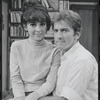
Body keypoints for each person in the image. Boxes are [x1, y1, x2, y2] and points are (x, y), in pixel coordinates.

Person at [39, 10, 98, 100]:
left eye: (64, 30)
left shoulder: (82, 60)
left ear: (77, 34)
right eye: (56, 31)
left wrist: (29, 98)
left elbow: (65, 99)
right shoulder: (61, 55)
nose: (59, 36)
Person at [9, 0, 61, 100]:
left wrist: (32, 97)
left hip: (43, 95)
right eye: (33, 24)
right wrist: (21, 98)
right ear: (25, 26)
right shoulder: (16, 46)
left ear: (47, 27)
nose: (38, 29)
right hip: (20, 94)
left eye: (42, 24)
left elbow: (50, 82)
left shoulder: (55, 51)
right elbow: (15, 78)